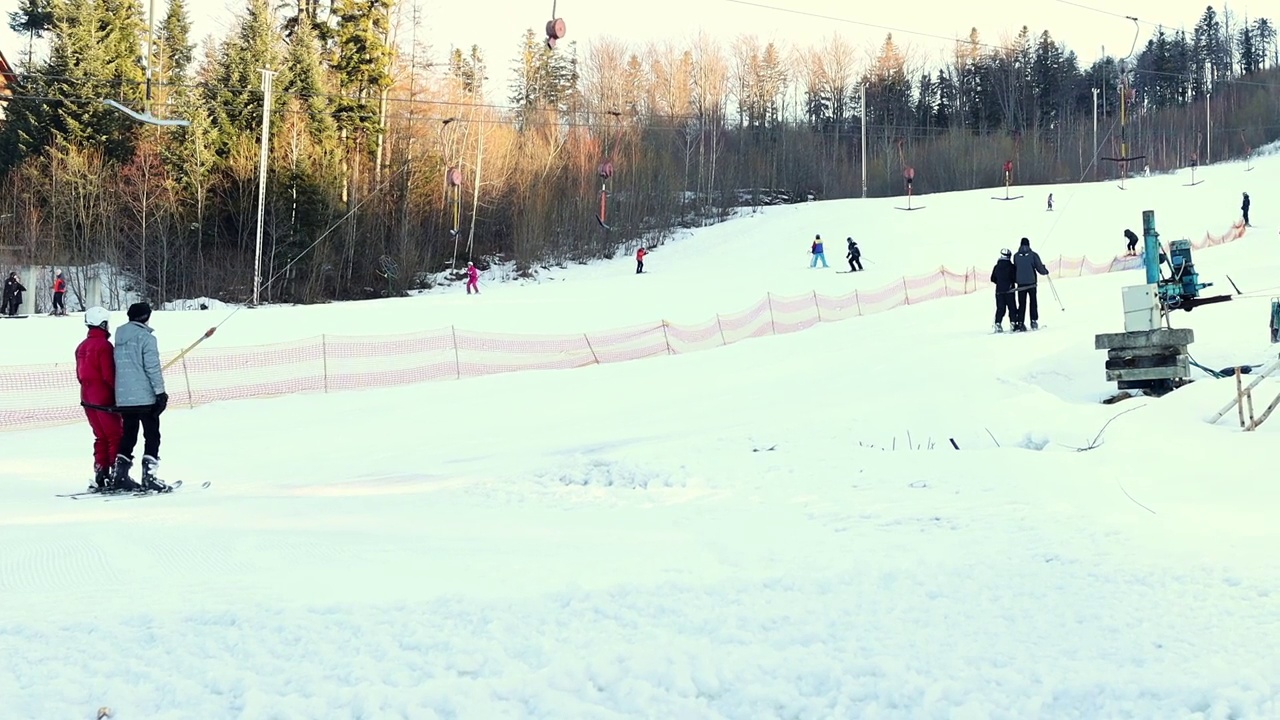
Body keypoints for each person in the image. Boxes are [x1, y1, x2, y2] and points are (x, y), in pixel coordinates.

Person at [113, 302, 168, 492]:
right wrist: (160, 393)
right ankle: (149, 476)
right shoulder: (146, 338)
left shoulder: (119, 337)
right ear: (146, 317)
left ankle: (120, 474)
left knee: (128, 434)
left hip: (124, 397)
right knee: (152, 434)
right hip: (144, 397)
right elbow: (152, 368)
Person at [75, 307, 123, 491]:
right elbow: (108, 375)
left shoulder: (81, 346)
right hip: (103, 398)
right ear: (103, 323)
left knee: (100, 436)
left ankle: (101, 472)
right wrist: (118, 394)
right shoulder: (104, 346)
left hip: (86, 398)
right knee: (115, 435)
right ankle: (116, 474)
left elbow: (79, 374)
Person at [1012, 237, 1050, 331]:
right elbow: (1039, 267)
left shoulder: (1016, 256)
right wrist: (1045, 271)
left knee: (1022, 303)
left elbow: (1016, 267)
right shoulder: (1033, 255)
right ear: (1029, 244)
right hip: (1031, 283)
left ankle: (1020, 322)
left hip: (1020, 284)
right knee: (1033, 302)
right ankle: (1033, 321)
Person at [990, 248, 1017, 333]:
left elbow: (992, 278)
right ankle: (1013, 323)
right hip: (1009, 290)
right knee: (1012, 308)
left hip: (999, 291)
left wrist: (999, 283)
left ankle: (998, 323)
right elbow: (1014, 278)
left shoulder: (996, 267)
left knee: (1000, 308)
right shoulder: (1011, 266)